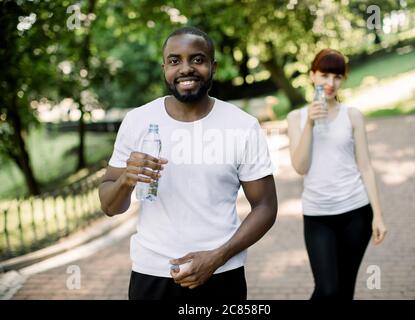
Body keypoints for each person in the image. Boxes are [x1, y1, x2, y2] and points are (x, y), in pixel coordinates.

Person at [98, 27, 277, 300]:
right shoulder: (138, 121)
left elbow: (265, 206)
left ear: (213, 66)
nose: (186, 68)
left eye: (197, 59)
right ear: (164, 68)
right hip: (152, 274)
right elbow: (111, 207)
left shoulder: (242, 126)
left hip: (221, 274)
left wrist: (217, 257)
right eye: (174, 61)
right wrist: (125, 180)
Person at [287, 48, 387, 300]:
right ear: (312, 76)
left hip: (356, 212)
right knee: (327, 289)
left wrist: (378, 216)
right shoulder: (295, 118)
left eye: (337, 77)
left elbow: (365, 166)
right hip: (318, 215)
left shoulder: (352, 115)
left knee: (344, 290)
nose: (330, 83)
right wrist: (309, 123)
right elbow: (300, 167)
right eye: (324, 75)